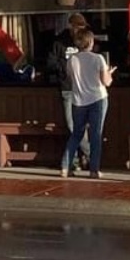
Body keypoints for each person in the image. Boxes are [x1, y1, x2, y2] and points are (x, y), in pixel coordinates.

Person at [60, 26, 116, 178]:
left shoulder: (72, 60)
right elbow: (106, 82)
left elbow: (70, 77)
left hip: (78, 101)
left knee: (76, 134)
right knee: (95, 134)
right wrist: (110, 74)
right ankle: (94, 169)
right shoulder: (98, 59)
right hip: (97, 99)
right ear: (90, 42)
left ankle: (65, 166)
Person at [48, 12, 91, 172]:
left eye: (82, 27)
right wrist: (65, 67)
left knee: (84, 125)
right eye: (76, 26)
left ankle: (76, 160)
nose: (79, 30)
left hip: (85, 89)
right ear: (70, 26)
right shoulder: (60, 42)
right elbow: (51, 63)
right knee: (72, 125)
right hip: (68, 89)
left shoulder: (86, 41)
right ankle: (91, 155)